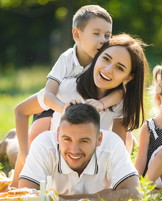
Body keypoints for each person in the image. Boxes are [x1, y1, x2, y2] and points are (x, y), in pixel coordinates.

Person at [0, 5, 136, 163]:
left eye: (107, 35)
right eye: (96, 34)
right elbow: (48, 95)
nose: (103, 40)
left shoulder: (105, 57)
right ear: (77, 34)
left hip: (82, 113)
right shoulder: (67, 59)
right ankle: (10, 142)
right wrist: (64, 109)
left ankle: (130, 139)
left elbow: (121, 92)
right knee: (31, 156)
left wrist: (102, 104)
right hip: (52, 106)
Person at [10, 33, 149, 188]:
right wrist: (23, 156)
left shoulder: (121, 102)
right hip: (56, 150)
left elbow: (117, 148)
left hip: (85, 154)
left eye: (119, 68)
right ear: (97, 56)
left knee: (127, 142)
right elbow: (21, 110)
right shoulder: (67, 89)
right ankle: (10, 141)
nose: (108, 70)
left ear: (128, 77)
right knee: (17, 150)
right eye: (106, 59)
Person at [18, 103, 142, 201]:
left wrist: (59, 200)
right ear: (57, 135)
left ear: (99, 139)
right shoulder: (44, 144)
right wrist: (105, 196)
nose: (74, 150)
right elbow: (26, 195)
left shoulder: (112, 143)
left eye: (84, 141)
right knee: (13, 151)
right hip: (36, 152)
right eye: (67, 139)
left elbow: (135, 194)